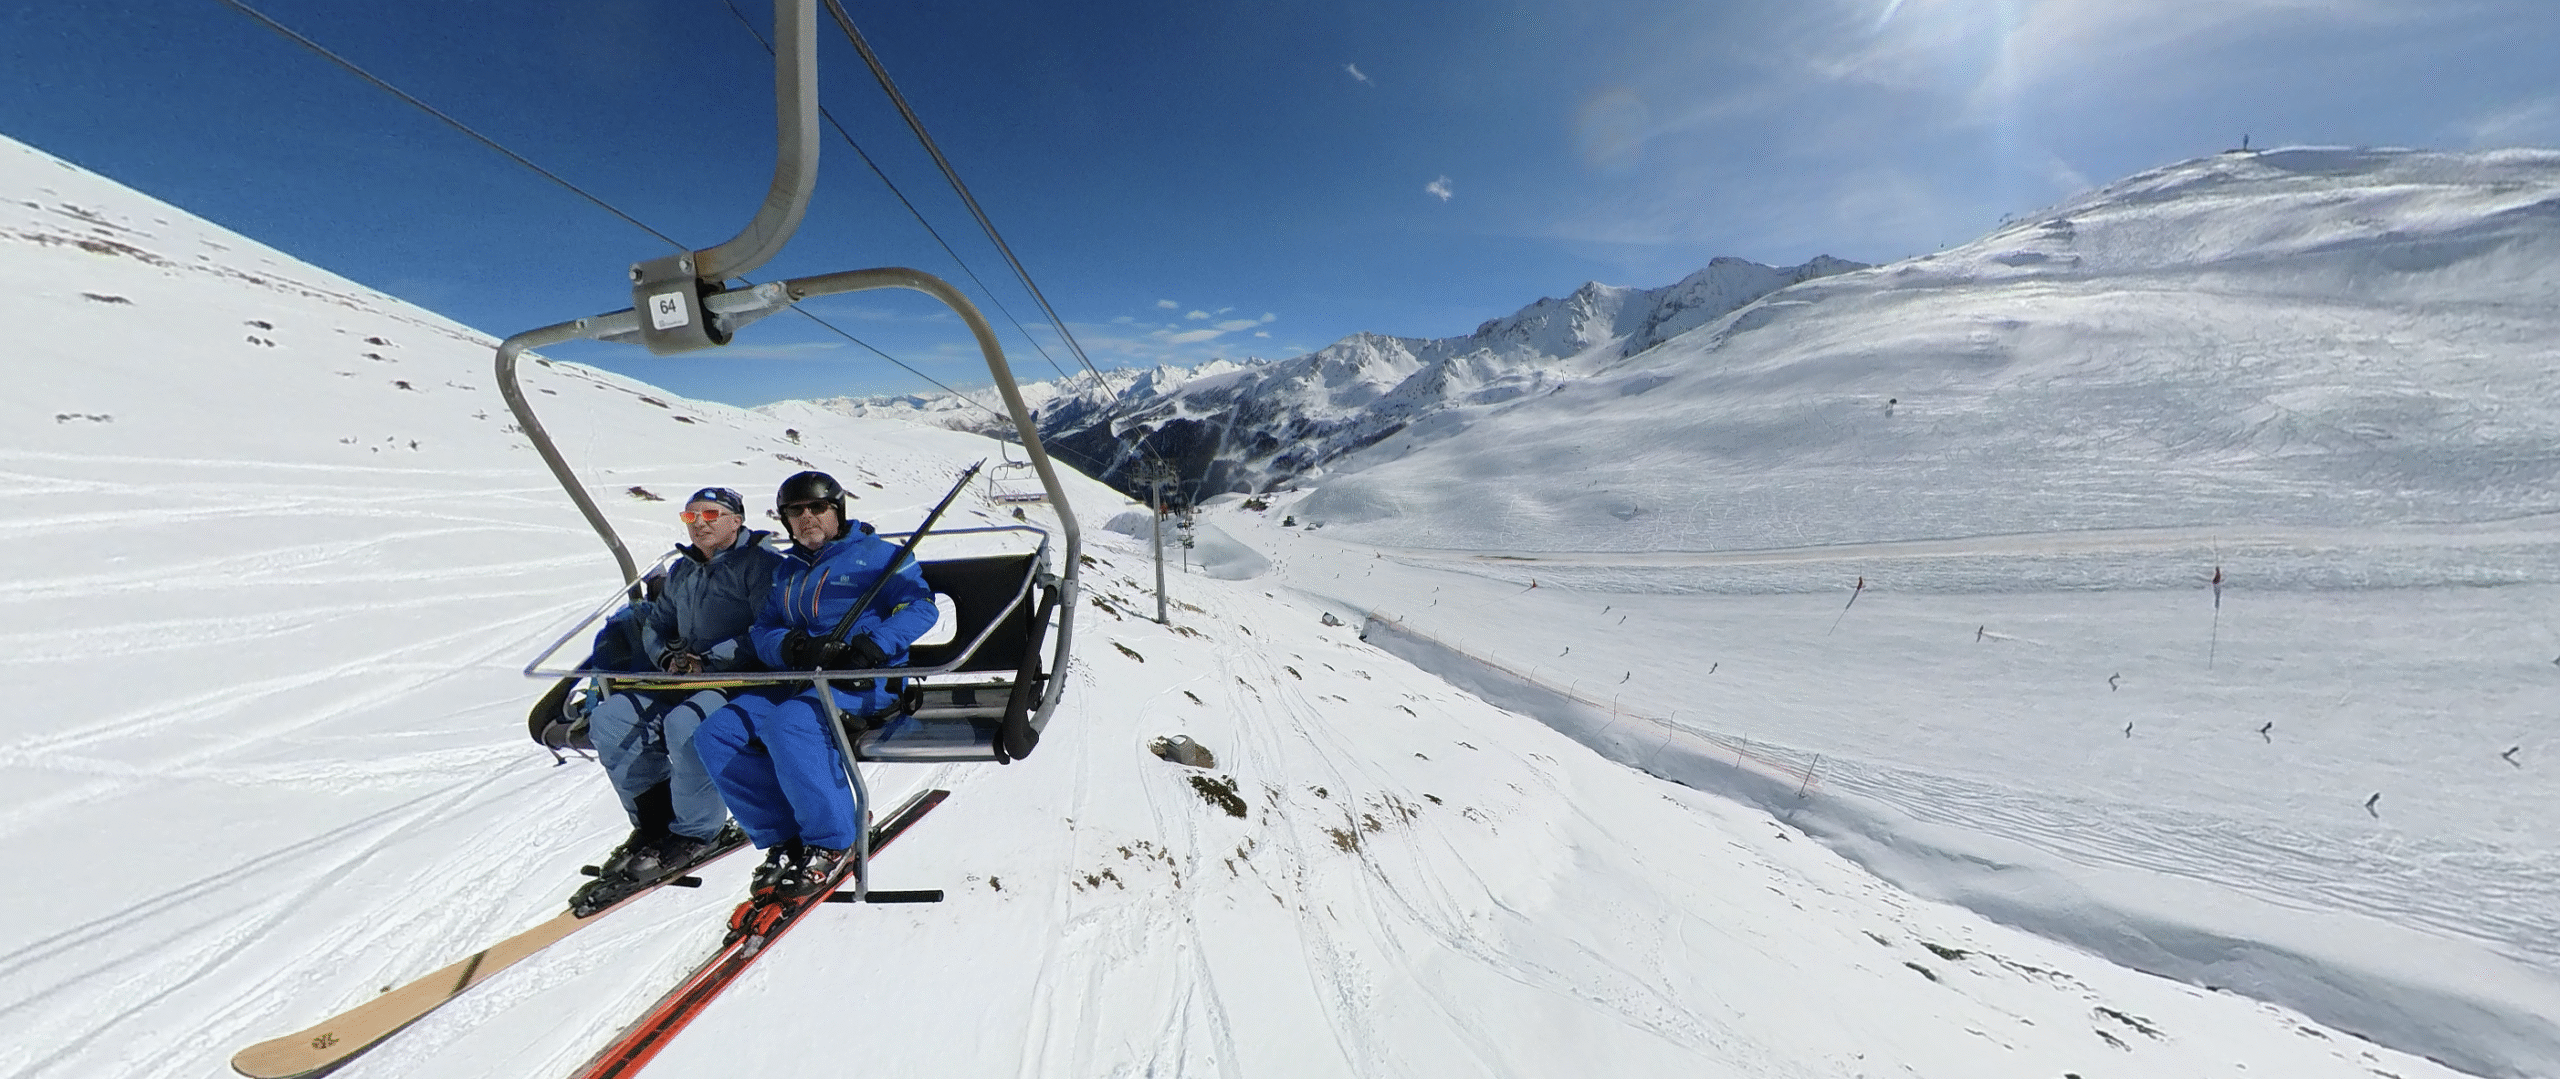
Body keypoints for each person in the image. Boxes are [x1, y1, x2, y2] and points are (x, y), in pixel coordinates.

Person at [694, 471, 939, 901]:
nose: (807, 517)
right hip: (801, 679)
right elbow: (764, 628)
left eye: (817, 508)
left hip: (861, 680)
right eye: (796, 511)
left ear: (837, 511)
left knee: (791, 724)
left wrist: (871, 646)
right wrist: (793, 646)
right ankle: (785, 837)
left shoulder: (880, 557)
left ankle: (834, 840)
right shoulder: (788, 572)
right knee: (717, 733)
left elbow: (919, 607)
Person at [574, 487, 780, 912]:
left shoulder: (760, 566)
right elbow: (658, 622)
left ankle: (696, 831)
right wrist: (667, 655)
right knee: (611, 719)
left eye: (710, 513)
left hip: (741, 680)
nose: (699, 522)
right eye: (691, 517)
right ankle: (652, 825)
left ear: (736, 520)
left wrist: (711, 659)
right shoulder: (683, 572)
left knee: (686, 726)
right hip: (682, 678)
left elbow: (768, 626)